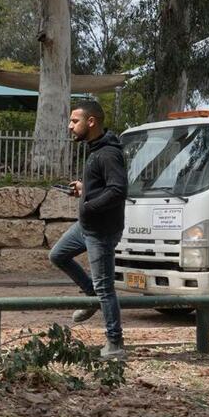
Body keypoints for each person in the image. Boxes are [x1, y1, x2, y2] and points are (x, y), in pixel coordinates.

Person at [49, 100, 128, 360]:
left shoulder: (107, 153)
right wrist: (85, 189)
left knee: (106, 287)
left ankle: (115, 344)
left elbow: (117, 190)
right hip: (86, 226)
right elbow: (105, 185)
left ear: (91, 122)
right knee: (57, 255)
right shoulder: (96, 149)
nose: (71, 126)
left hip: (101, 232)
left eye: (75, 121)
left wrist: (90, 205)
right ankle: (90, 293)